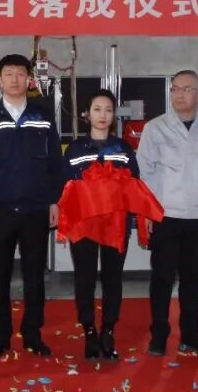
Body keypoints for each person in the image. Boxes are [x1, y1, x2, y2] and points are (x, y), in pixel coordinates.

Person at [0, 54, 64, 358]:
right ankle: (1, 336)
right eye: (8, 74)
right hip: (0, 209)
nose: (14, 79)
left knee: (35, 276)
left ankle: (33, 334)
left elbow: (55, 162)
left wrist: (55, 199)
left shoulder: (43, 116)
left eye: (20, 74)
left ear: (29, 80)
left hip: (36, 208)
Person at [136, 70, 198, 357]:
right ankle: (159, 334)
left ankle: (190, 335)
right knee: (162, 278)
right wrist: (147, 212)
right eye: (175, 89)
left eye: (186, 89)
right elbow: (144, 173)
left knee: (192, 279)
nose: (179, 95)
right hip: (166, 214)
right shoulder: (155, 128)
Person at [60, 89, 139, 360]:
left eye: (108, 110)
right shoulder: (75, 149)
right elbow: (64, 185)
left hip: (116, 223)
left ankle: (108, 330)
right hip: (84, 224)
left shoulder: (123, 149)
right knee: (84, 278)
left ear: (113, 115)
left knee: (112, 277)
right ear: (87, 114)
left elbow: (135, 182)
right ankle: (89, 331)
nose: (103, 115)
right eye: (97, 109)